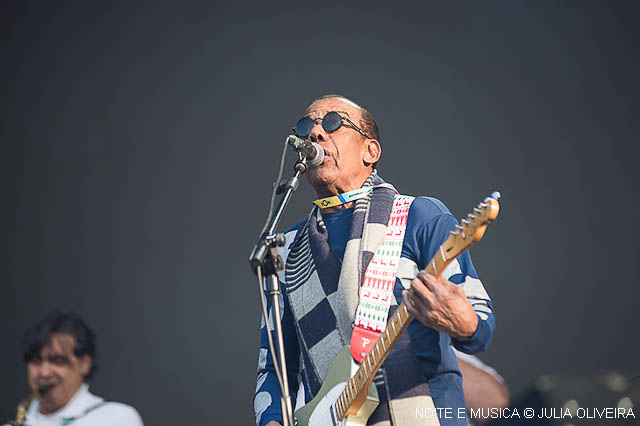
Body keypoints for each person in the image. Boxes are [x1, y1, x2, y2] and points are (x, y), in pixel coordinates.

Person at [254, 95, 496, 426]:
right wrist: (271, 420)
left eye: (333, 123)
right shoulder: (286, 250)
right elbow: (275, 367)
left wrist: (463, 321)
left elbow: (481, 322)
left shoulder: (417, 216)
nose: (315, 134)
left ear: (371, 151)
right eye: (306, 127)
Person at [6, 312, 144, 426]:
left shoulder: (116, 418)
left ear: (85, 363)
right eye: (36, 361)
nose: (44, 372)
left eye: (57, 361)